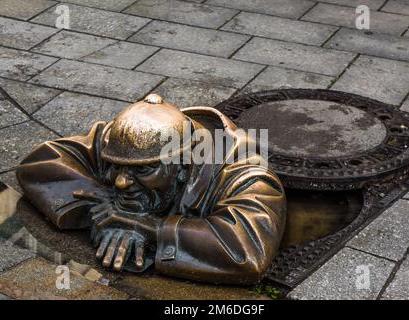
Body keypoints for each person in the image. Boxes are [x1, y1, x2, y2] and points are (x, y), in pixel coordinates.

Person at [17, 94, 286, 285]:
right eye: (116, 167)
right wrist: (99, 206)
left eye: (143, 171)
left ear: (183, 165)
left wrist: (148, 228)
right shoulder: (125, 144)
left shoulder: (248, 175)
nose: (121, 182)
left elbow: (247, 252)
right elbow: (42, 162)